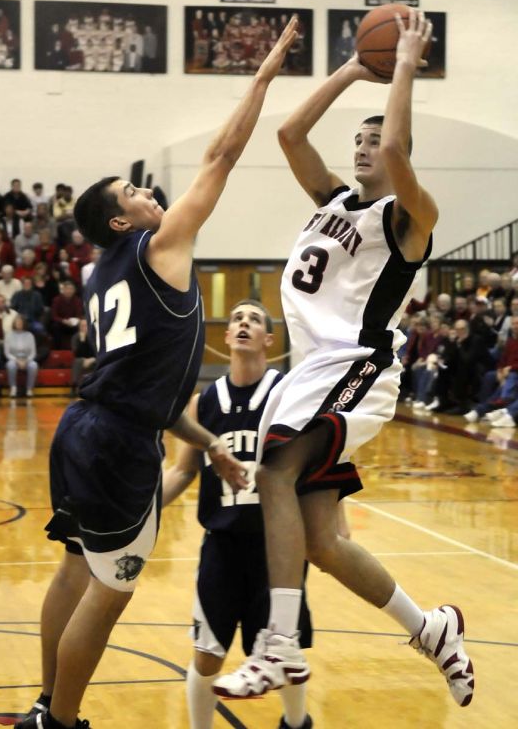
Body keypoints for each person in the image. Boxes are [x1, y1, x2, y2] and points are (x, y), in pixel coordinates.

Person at [14, 17, 299, 729]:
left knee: (76, 568)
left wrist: (206, 446)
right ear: (122, 222)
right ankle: (63, 721)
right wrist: (263, 77)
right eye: (133, 191)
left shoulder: (96, 273)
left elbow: (149, 383)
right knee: (112, 591)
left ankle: (48, 704)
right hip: (115, 444)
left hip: (85, 426)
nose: (147, 192)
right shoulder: (159, 245)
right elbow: (222, 155)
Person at [214, 10, 474, 710]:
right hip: (311, 372)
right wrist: (356, 67)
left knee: (274, 470)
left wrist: (407, 67)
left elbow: (395, 147)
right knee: (325, 541)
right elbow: (289, 133)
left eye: (374, 143)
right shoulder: (331, 202)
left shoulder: (409, 216)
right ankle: (433, 629)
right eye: (355, 143)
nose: (365, 150)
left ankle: (278, 645)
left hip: (359, 366)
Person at [162, 300, 320, 729]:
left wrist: (331, 527)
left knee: (281, 648)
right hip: (223, 544)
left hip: (279, 549)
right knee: (207, 652)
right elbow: (181, 470)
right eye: (237, 319)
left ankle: (296, 722)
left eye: (254, 319)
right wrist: (143, 508)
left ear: (269, 339)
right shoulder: (203, 402)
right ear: (227, 338)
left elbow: (315, 465)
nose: (244, 323)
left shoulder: (287, 394)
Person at [4, 314, 38, 398]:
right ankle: (13, 388)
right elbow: (7, 353)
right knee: (10, 365)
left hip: (26, 359)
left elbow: (33, 352)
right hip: (14, 359)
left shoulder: (30, 335)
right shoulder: (8, 335)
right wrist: (17, 360)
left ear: (24, 324)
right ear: (14, 324)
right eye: (17, 322)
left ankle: (29, 389)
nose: (19, 324)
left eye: (20, 322)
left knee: (33, 365)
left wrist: (26, 360)